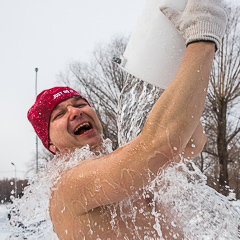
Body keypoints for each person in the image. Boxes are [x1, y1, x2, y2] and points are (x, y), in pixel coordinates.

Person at [27, 0, 228, 239]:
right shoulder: (70, 183)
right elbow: (161, 146)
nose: (75, 111)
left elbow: (191, 143)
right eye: (59, 114)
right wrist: (202, 40)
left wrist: (167, 67)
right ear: (50, 144)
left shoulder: (118, 161)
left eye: (80, 104)